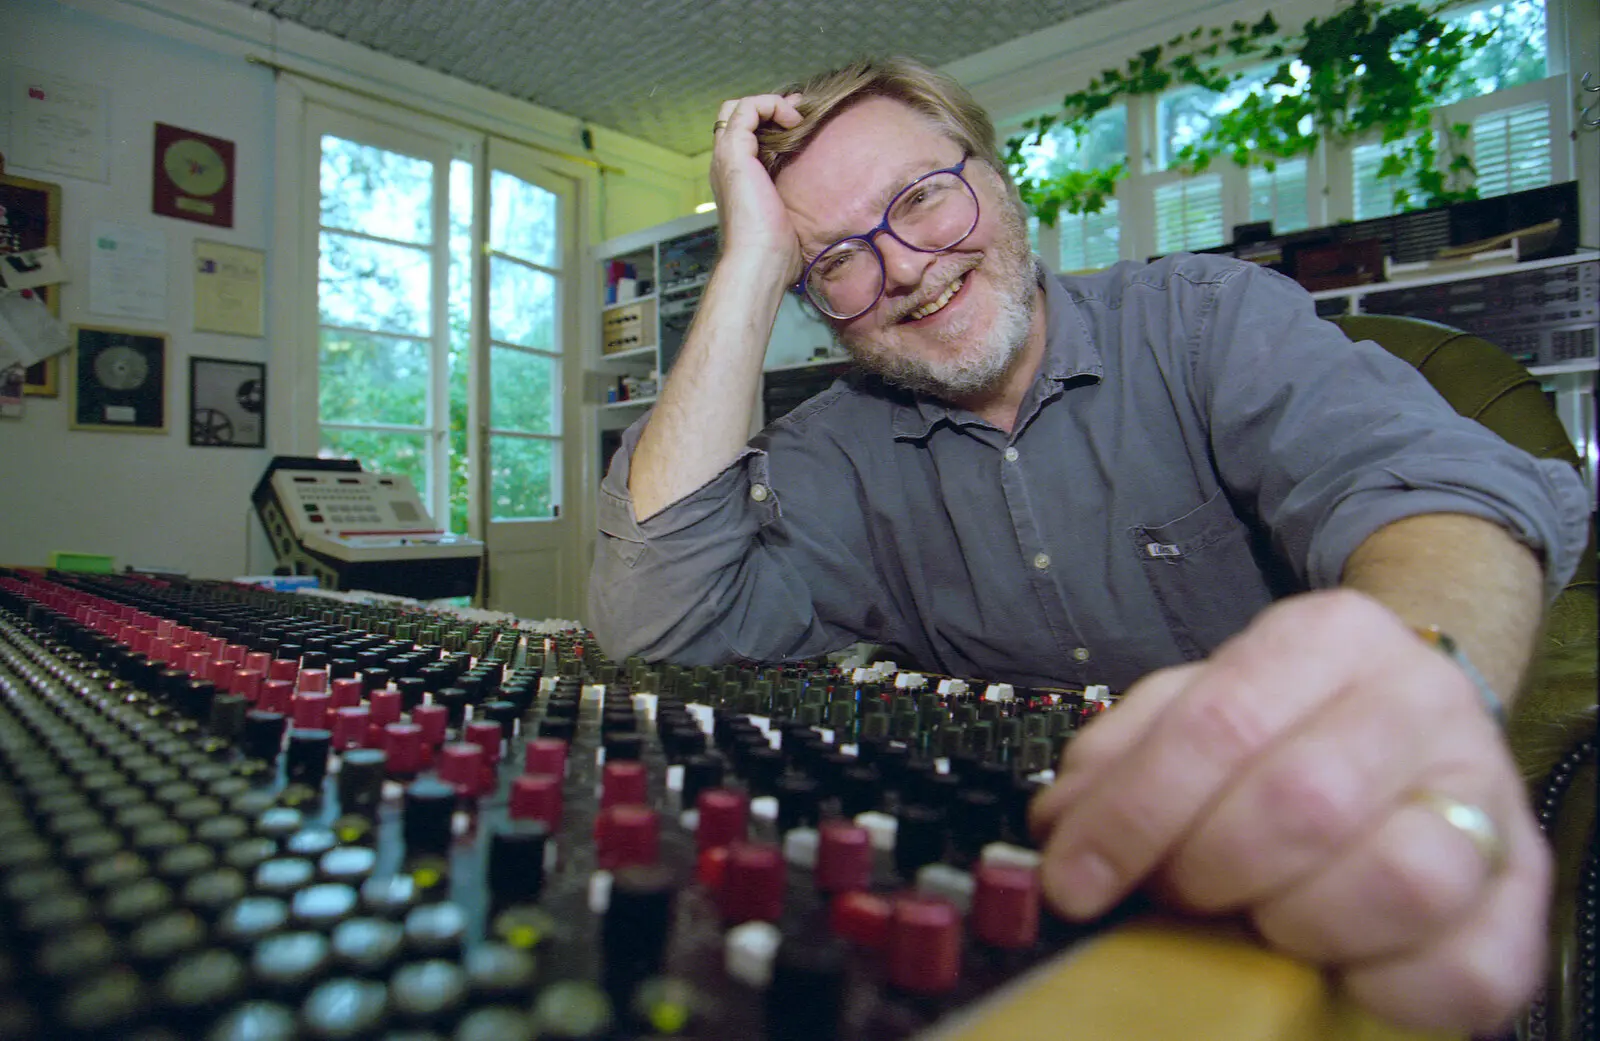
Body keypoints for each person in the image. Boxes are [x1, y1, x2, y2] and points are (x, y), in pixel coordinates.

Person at [588, 57, 1590, 1033]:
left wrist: (1418, 677)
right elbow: (658, 623)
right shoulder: (836, 450)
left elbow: (1433, 492)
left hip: (1292, 892)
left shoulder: (1201, 320)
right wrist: (750, 265)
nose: (907, 268)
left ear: (999, 175)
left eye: (923, 198)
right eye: (837, 260)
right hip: (1019, 919)